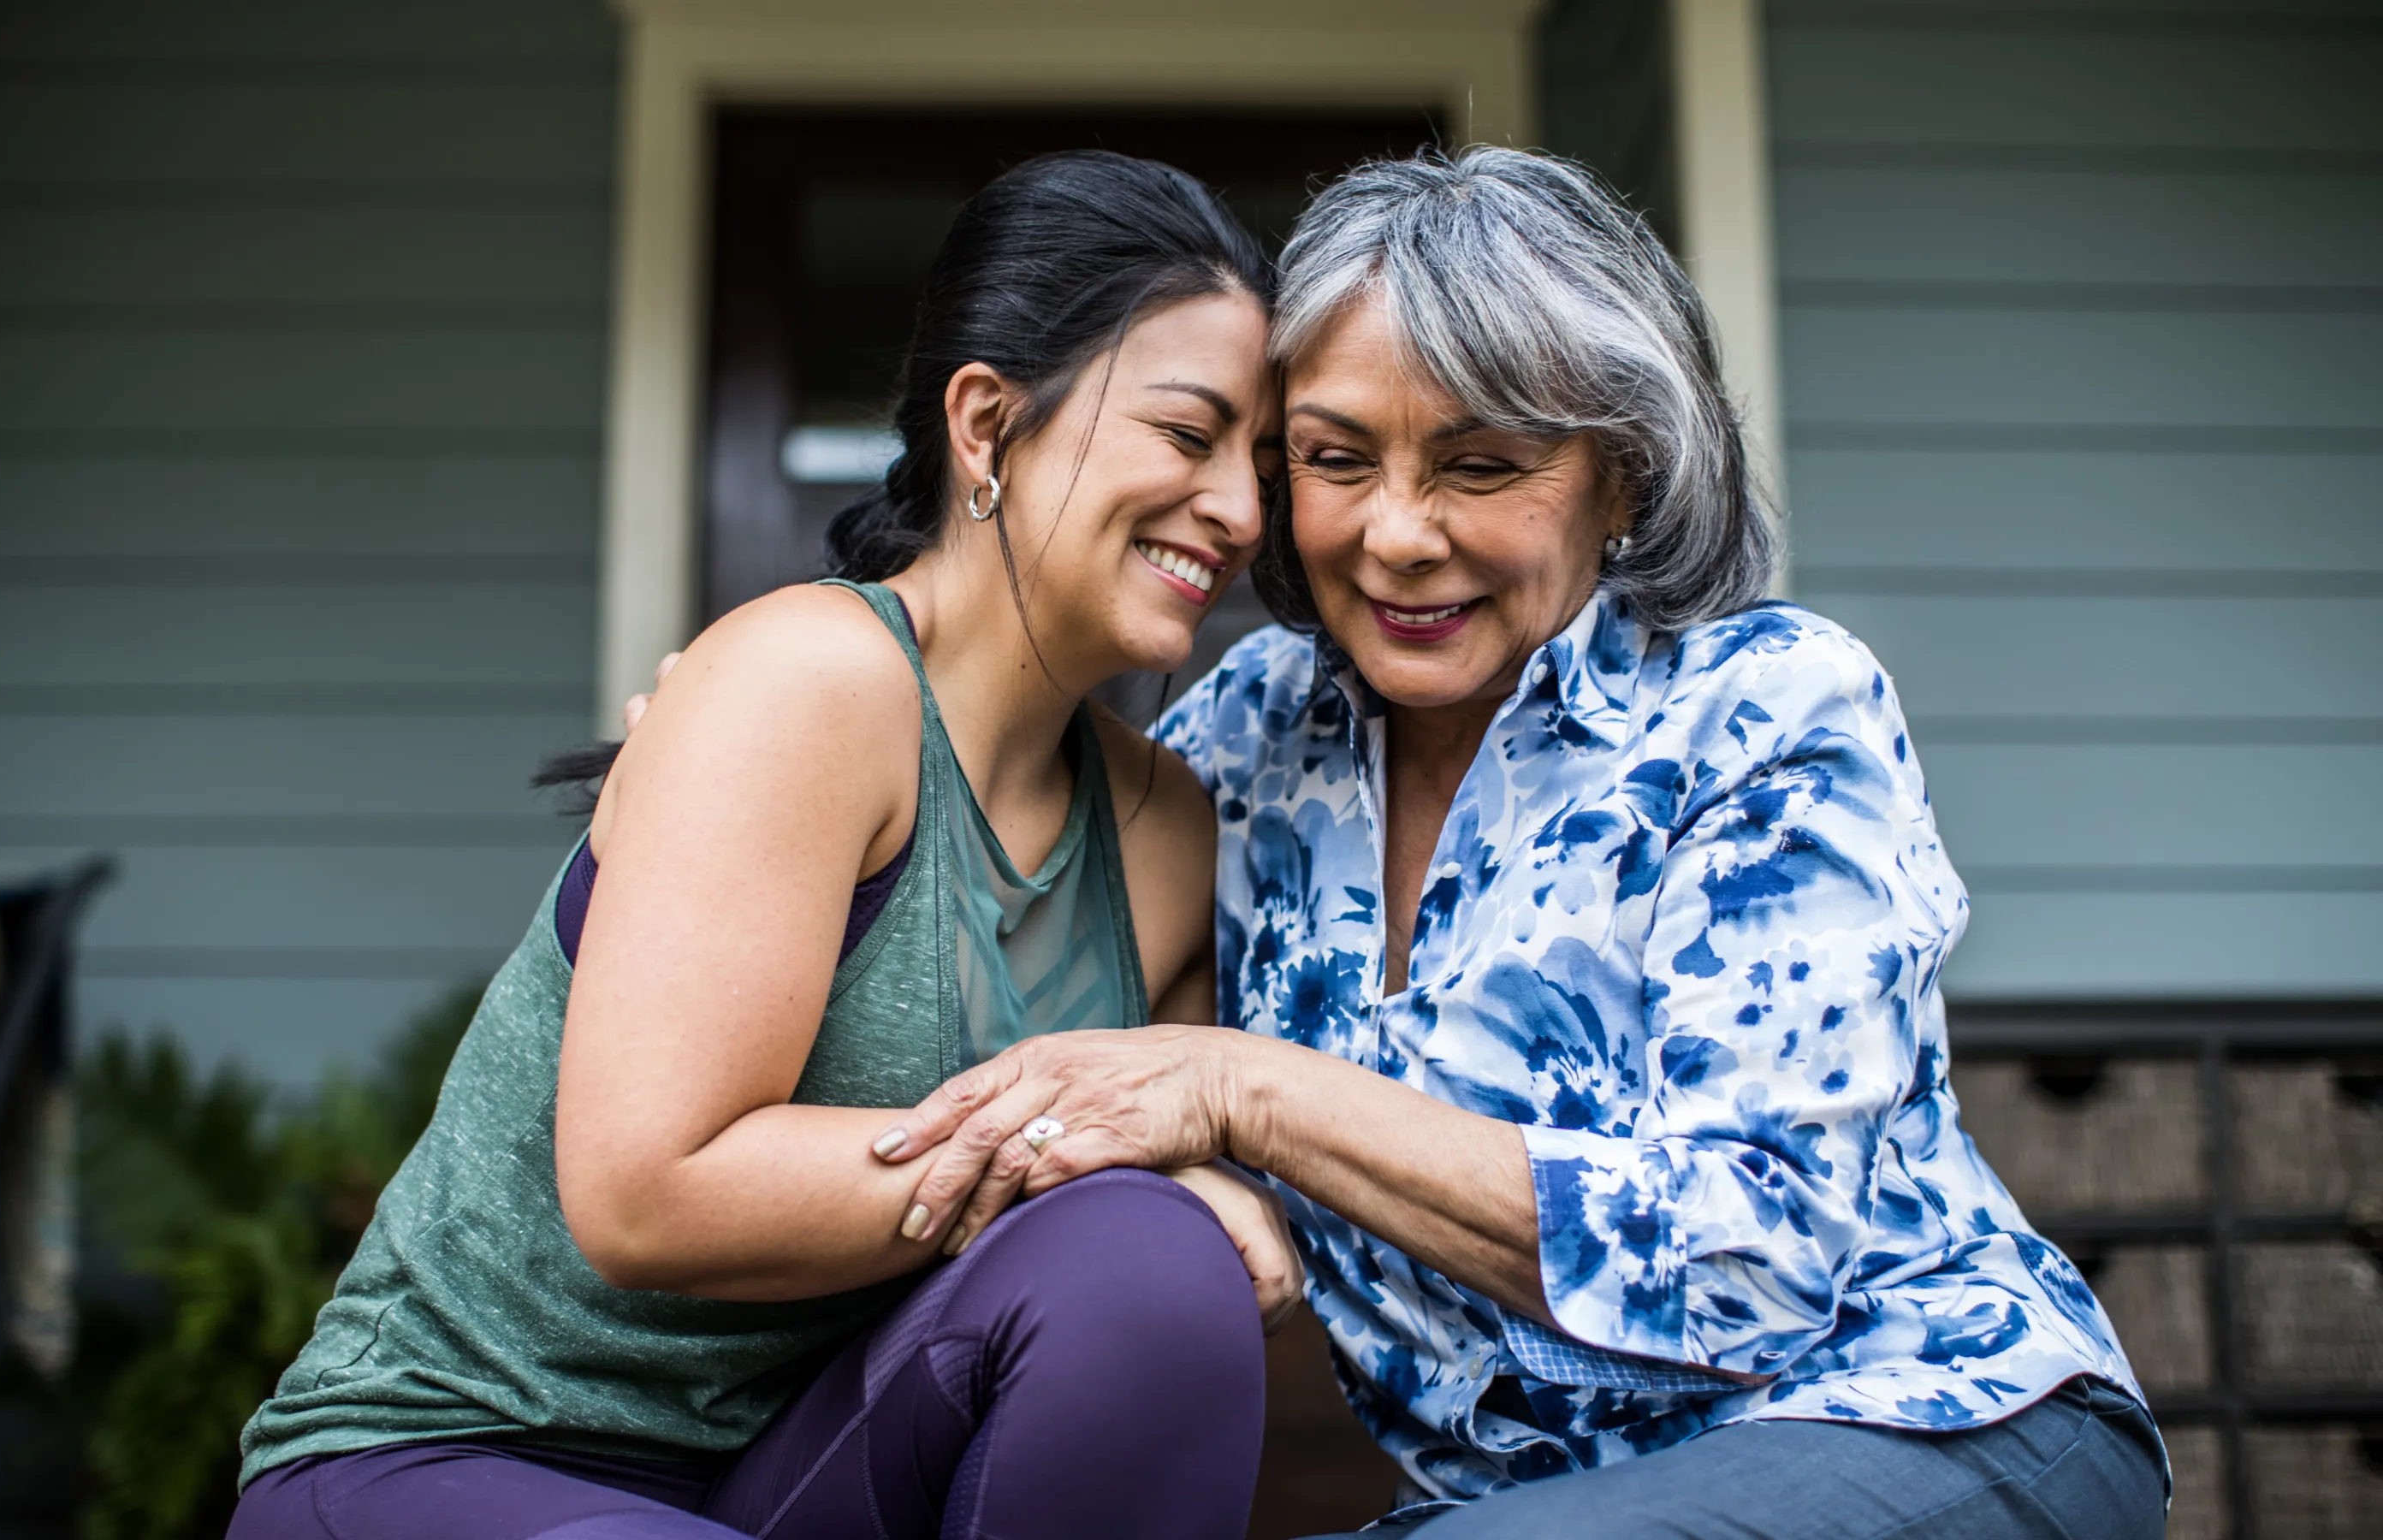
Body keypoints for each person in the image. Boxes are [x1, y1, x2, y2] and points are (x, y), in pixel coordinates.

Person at [866, 148, 2170, 1538]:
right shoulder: (1238, 744)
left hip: (1926, 1421)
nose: (1400, 535)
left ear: (1623, 479)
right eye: (1334, 460)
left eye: (1483, 464)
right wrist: (791, 746)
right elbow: (1033, 994)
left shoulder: (1766, 709)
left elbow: (1750, 1260)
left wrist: (1247, 1095)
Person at [226, 151, 1301, 1540]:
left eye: (1263, 463)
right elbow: (648, 1194)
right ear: (989, 424)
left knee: (1147, 1263)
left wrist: (1190, 1186)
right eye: (1188, 434)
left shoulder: (1161, 831)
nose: (1242, 510)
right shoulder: (812, 683)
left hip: (785, 1480)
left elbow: (1174, 1213)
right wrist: (1075, 1150)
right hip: (452, 1461)